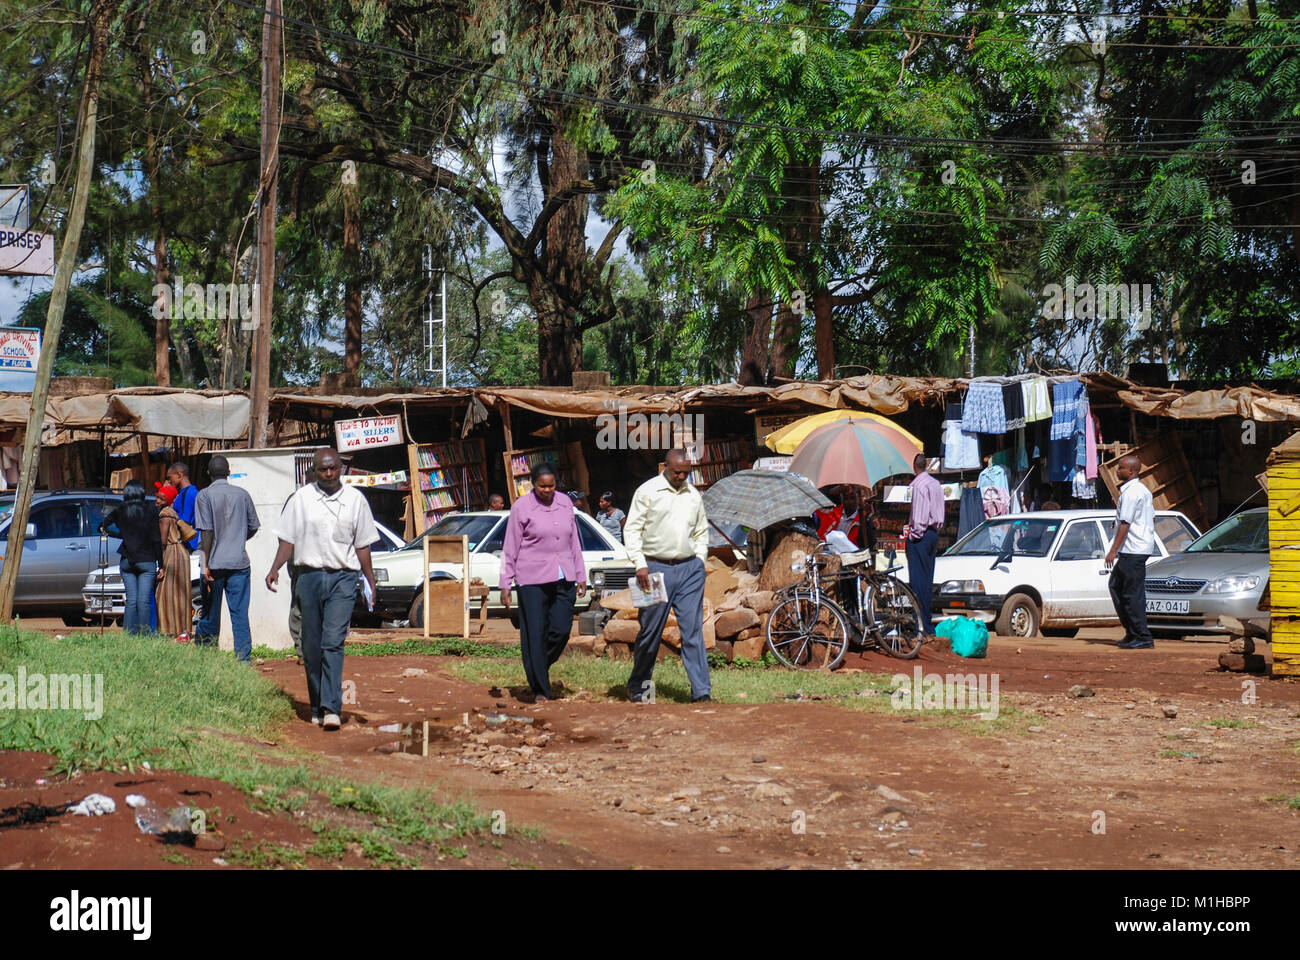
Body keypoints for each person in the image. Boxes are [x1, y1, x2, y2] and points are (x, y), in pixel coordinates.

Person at [266, 448, 378, 729]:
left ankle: (331, 708)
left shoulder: (356, 500)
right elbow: (288, 540)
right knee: (312, 646)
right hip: (309, 578)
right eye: (323, 470)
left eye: (333, 468)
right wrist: (275, 567)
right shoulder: (301, 499)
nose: (329, 474)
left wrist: (370, 580)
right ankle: (316, 704)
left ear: (342, 468)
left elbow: (362, 544)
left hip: (343, 578)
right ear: (314, 471)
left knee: (333, 642)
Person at [623, 448, 711, 703]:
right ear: (665, 467)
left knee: (692, 630)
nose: (682, 477)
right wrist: (639, 564)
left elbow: (701, 532)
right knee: (650, 631)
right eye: (677, 472)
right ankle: (639, 687)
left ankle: (701, 692)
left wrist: (700, 560)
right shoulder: (647, 491)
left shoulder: (693, 495)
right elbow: (632, 530)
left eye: (686, 473)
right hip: (652, 569)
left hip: (689, 569)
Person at [498, 463, 588, 703]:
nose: (547, 490)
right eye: (542, 486)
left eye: (551, 486)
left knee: (560, 630)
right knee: (535, 633)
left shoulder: (565, 503)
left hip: (563, 575)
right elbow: (510, 546)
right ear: (533, 484)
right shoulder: (521, 508)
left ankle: (536, 665)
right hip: (531, 579)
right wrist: (505, 583)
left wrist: (580, 574)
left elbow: (574, 541)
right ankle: (540, 689)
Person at [194, 455, 260, 662]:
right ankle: (243, 660)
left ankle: (206, 657)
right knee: (240, 614)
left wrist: (204, 563)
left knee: (210, 613)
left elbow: (207, 532)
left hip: (213, 565)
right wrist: (238, 539)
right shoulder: (243, 494)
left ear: (209, 474)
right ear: (229, 472)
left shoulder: (204, 495)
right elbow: (253, 526)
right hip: (239, 563)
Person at [100, 480, 164, 635]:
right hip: (147, 560)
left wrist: (122, 535)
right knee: (143, 602)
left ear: (126, 493)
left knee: (131, 601)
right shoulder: (150, 511)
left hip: (127, 560)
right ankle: (144, 636)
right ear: (141, 493)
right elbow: (156, 539)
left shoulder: (120, 510)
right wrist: (161, 564)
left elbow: (102, 526)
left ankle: (129, 635)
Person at [1105, 455, 1156, 650]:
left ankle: (1142, 636)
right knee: (1116, 586)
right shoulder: (1140, 491)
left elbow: (1125, 523)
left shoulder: (1132, 493)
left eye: (1120, 468)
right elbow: (1151, 518)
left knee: (1132, 594)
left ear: (1132, 472)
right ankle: (1132, 631)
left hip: (1133, 550)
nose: (1117, 471)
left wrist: (1113, 550)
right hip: (1135, 548)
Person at [904, 454, 944, 636]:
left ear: (914, 467)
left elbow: (919, 519)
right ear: (926, 465)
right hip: (933, 534)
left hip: (921, 536)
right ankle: (926, 624)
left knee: (918, 584)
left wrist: (912, 536)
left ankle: (921, 626)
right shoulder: (935, 484)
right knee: (926, 582)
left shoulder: (919, 486)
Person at [283, 466, 317, 663]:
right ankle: (305, 651)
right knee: (303, 604)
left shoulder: (294, 499)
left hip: (302, 561)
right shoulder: (296, 500)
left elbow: (283, 536)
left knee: (299, 605)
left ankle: (303, 650)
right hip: (302, 561)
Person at [154, 483, 192, 641]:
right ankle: (183, 631)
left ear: (166, 500)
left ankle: (168, 629)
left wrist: (160, 563)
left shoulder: (164, 514)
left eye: (160, 498)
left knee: (164, 594)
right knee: (181, 593)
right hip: (182, 553)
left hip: (170, 553)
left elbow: (162, 540)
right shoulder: (173, 512)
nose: (157, 500)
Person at [166, 462, 200, 550]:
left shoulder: (188, 494)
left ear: (179, 475)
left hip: (189, 544)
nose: (169, 481)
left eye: (170, 477)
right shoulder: (187, 492)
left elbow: (184, 522)